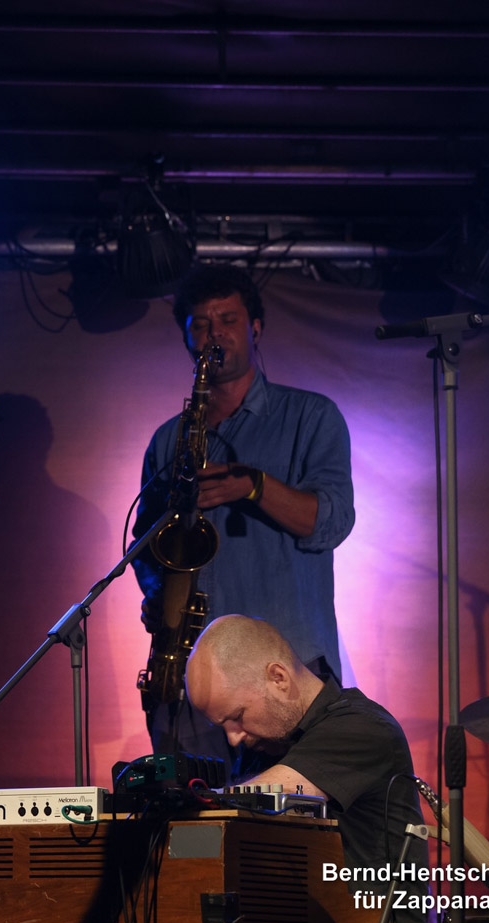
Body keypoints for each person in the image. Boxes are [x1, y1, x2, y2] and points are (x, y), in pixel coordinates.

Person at [131, 263, 354, 759]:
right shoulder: (169, 439)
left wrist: (254, 486)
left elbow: (331, 522)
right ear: (186, 337)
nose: (215, 334)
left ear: (255, 328)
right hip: (193, 679)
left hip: (286, 673)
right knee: (188, 810)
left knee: (290, 810)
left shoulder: (311, 416)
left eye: (228, 320)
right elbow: (146, 546)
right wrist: (158, 595)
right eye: (201, 324)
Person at [185, 615, 428, 923]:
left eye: (238, 716)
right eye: (223, 725)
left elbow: (269, 793)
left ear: (279, 678)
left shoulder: (362, 727)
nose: (233, 738)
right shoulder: (264, 745)